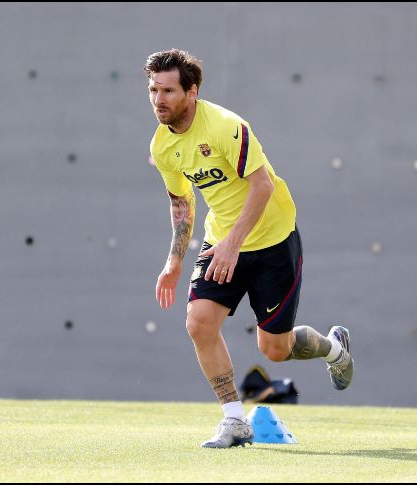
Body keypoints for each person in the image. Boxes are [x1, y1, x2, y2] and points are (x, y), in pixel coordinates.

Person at [145, 49, 354, 449]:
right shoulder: (162, 146)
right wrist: (174, 261)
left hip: (273, 241)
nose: (159, 99)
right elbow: (181, 201)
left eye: (169, 90)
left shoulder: (226, 126)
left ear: (192, 91)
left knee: (275, 349)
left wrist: (233, 246)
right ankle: (234, 419)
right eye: (153, 90)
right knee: (198, 323)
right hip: (221, 239)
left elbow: (263, 186)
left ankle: (335, 348)